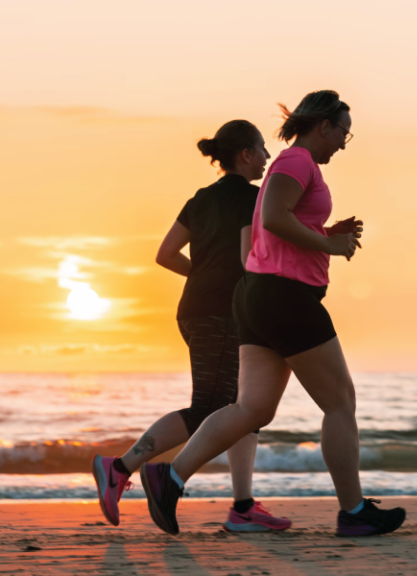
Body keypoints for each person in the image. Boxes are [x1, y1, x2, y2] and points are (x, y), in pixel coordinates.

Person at [140, 90, 407, 537]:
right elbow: (273, 216)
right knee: (340, 402)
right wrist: (329, 244)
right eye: (344, 131)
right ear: (324, 125)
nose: (344, 142)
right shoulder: (296, 162)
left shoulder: (289, 165)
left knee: (251, 409)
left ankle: (169, 477)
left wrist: (322, 230)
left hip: (259, 295)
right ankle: (353, 511)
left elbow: (277, 227)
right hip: (286, 297)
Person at [93, 120, 291, 532]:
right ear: (245, 155)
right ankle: (120, 467)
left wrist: (200, 277)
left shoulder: (199, 199)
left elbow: (165, 254)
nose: (268, 158)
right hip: (222, 312)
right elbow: (244, 259)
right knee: (210, 406)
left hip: (197, 308)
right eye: (262, 150)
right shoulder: (253, 199)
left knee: (244, 407)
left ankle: (243, 507)